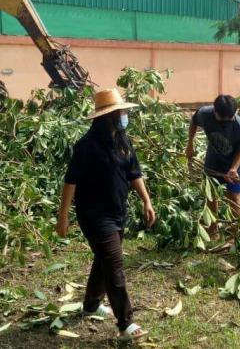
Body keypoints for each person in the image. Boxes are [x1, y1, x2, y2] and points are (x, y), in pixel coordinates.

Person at [56, 88, 156, 343]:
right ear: (107, 117)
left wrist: (146, 200)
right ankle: (125, 323)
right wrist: (63, 216)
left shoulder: (123, 141)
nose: (123, 116)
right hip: (94, 215)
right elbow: (70, 182)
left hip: (117, 212)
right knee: (114, 266)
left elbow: (134, 173)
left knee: (104, 261)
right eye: (120, 113)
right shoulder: (86, 146)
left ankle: (91, 305)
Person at [185, 94, 240, 251]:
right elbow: (194, 121)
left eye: (229, 119)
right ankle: (213, 230)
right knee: (211, 196)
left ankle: (234, 234)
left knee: (234, 197)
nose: (226, 123)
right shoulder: (204, 114)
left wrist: (233, 169)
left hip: (235, 167)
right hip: (213, 163)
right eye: (222, 120)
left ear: (236, 112)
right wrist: (190, 143)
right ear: (215, 112)